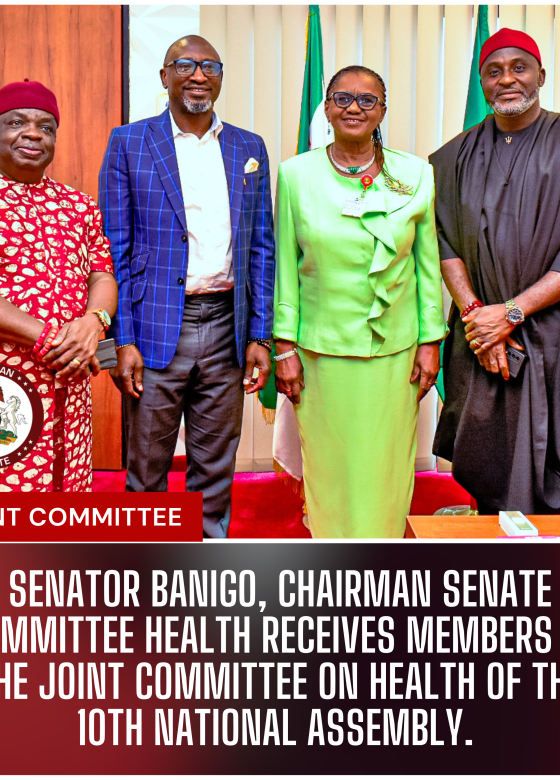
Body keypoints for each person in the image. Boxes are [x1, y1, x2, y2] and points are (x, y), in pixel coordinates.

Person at [99, 35, 275, 538]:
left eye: (209, 66)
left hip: (227, 325)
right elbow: (114, 249)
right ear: (165, 76)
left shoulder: (248, 147)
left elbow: (261, 246)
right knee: (147, 464)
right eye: (185, 65)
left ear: (219, 77)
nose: (198, 75)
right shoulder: (129, 142)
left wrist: (260, 335)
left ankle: (206, 555)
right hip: (153, 327)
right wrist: (121, 341)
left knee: (216, 460)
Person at [273, 65, 447, 538]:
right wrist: (284, 347)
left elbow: (427, 267)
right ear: (327, 109)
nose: (354, 107)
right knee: (330, 471)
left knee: (385, 470)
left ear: (382, 110)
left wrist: (431, 341)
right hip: (320, 355)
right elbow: (285, 267)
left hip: (396, 356)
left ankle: (382, 564)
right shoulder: (295, 175)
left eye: (367, 100)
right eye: (343, 98)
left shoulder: (416, 174)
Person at [430, 28, 560, 515]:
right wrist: (478, 319)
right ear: (482, 82)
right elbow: (443, 241)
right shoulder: (452, 156)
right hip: (482, 338)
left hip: (551, 333)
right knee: (488, 465)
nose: (506, 79)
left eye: (518, 68)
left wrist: (511, 313)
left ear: (540, 76)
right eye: (493, 71)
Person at [0, 80, 117, 492]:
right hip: (11, 382)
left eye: (46, 127)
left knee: (68, 492)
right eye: (17, 123)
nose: (33, 134)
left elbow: (101, 274)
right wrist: (56, 341)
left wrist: (94, 323)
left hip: (70, 383)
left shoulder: (79, 206)